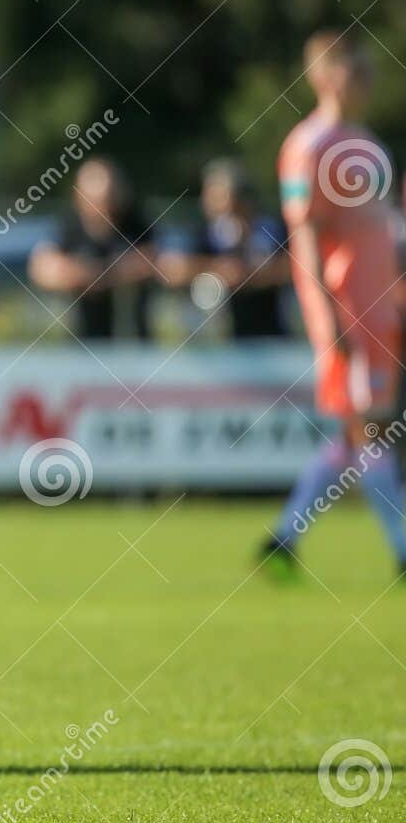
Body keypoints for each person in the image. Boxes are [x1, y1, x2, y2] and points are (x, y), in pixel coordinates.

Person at [262, 31, 406, 581]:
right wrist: (325, 318)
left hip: (380, 312)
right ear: (323, 76)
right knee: (371, 430)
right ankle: (400, 547)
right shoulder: (309, 146)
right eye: (354, 69)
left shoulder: (368, 143)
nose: (366, 79)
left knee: (355, 434)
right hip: (348, 312)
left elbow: (380, 237)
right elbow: (305, 238)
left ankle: (285, 535)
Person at [28, 157, 158, 339]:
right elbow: (42, 269)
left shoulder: (135, 223)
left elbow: (154, 262)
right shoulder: (69, 226)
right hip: (81, 345)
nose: (101, 208)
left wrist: (102, 276)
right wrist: (86, 274)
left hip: (133, 342)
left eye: (107, 199)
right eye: (93, 201)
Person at [158, 158, 289, 338]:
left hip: (268, 336)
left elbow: (295, 266)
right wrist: (218, 270)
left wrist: (252, 275)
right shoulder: (199, 234)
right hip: (213, 342)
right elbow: (170, 269)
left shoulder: (270, 231)